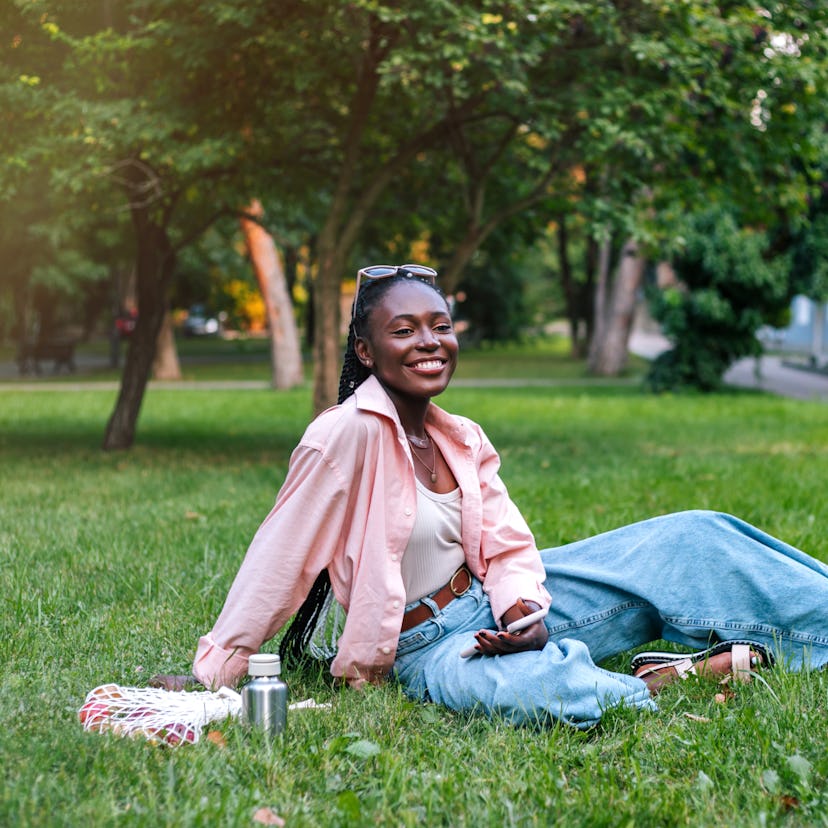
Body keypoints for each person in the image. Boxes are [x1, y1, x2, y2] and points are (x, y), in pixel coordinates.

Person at [153, 266, 828, 728]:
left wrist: (524, 609)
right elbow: (279, 561)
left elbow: (506, 546)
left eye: (440, 325)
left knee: (695, 536)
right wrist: (217, 672)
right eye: (404, 330)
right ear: (364, 350)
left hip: (493, 606)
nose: (430, 342)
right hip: (429, 650)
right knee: (540, 692)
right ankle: (656, 680)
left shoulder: (462, 436)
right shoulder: (342, 438)